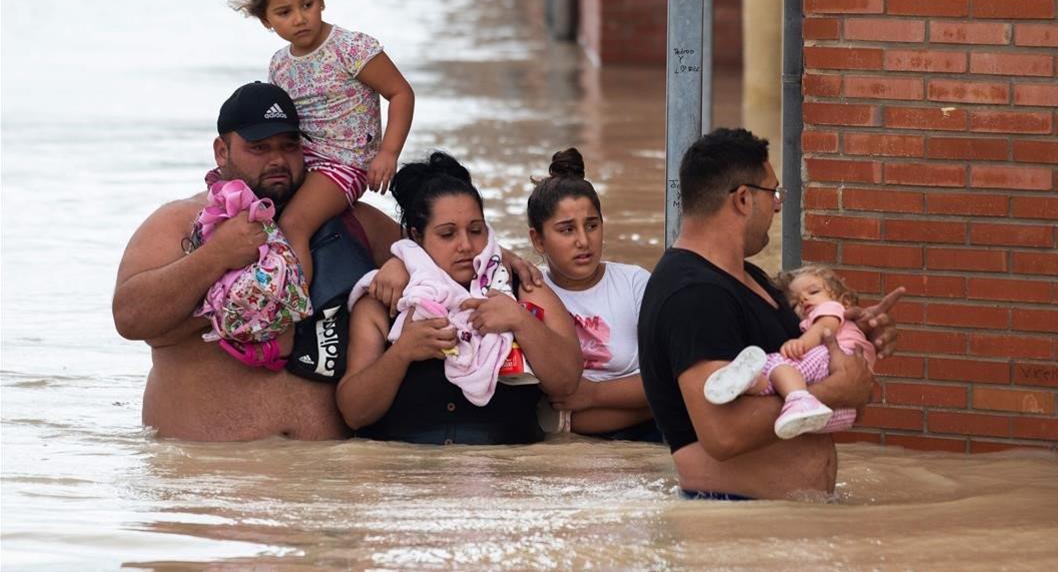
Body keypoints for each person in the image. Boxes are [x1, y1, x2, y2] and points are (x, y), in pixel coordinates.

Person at [112, 83, 543, 442]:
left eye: (289, 145)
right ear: (221, 151)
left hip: (333, 482)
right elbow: (130, 318)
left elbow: (447, 244)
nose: (277, 160)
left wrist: (410, 261)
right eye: (258, 148)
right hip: (208, 481)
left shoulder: (353, 223)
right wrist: (216, 257)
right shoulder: (181, 222)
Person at [637, 128, 902, 500]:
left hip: (782, 524)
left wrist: (853, 339)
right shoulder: (694, 294)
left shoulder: (752, 280)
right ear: (744, 199)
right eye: (773, 193)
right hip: (734, 522)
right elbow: (721, 434)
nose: (778, 205)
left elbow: (817, 377)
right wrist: (832, 390)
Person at [336, 152, 584, 445]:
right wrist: (401, 353)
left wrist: (520, 321)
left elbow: (567, 383)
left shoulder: (521, 286)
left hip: (509, 476)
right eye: (447, 234)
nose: (466, 245)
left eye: (476, 231)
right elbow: (353, 413)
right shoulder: (385, 301)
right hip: (407, 478)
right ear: (417, 237)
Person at [231, 0, 416, 313]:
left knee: (294, 224)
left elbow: (401, 93)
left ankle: (292, 307)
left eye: (307, 4)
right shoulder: (280, 65)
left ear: (321, 0)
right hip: (307, 158)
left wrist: (388, 153)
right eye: (284, 12)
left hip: (345, 161)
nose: (300, 19)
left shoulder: (351, 48)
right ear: (267, 20)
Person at [525, 148, 661, 442]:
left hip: (648, 437)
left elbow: (672, 379)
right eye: (566, 230)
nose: (583, 241)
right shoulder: (529, 292)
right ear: (538, 239)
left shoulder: (635, 283)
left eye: (592, 225)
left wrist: (593, 394)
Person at [703, 265, 875, 439]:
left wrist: (801, 343)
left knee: (780, 364)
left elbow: (824, 327)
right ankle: (752, 385)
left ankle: (775, 387)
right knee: (781, 382)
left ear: (844, 301)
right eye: (794, 303)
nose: (804, 300)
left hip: (835, 359)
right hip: (841, 415)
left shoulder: (833, 309)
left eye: (813, 292)